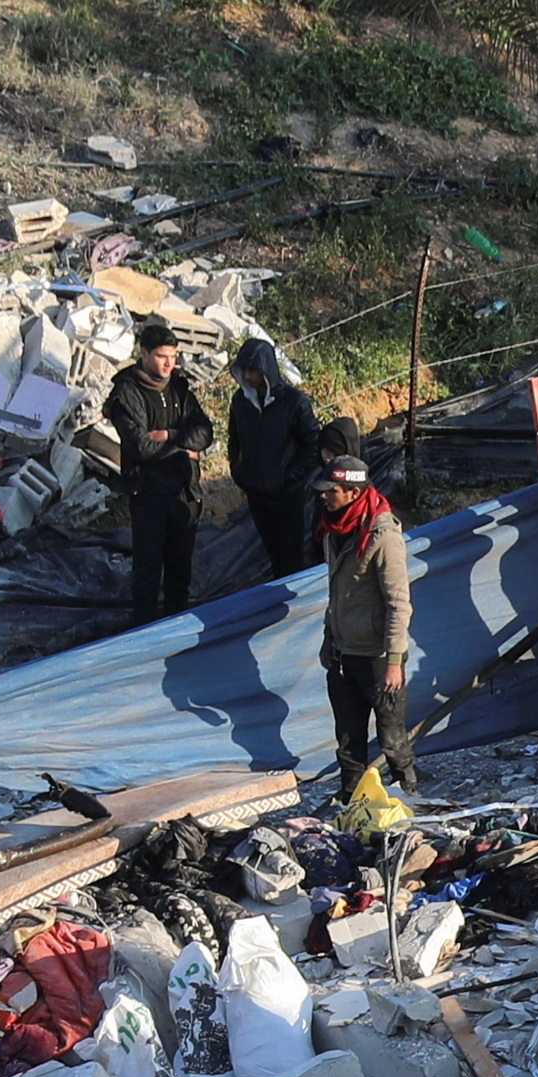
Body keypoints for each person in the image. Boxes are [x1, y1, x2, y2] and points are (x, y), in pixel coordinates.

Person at [101, 318, 211, 619]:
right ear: (144, 353)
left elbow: (205, 433)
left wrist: (170, 435)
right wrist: (184, 449)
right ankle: (145, 635)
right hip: (148, 495)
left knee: (180, 572)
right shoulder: (126, 395)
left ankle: (177, 629)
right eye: (162, 356)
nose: (169, 364)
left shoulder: (180, 390)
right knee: (148, 572)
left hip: (184, 492)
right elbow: (140, 447)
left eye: (173, 357)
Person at [319, 452, 414, 800]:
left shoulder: (383, 537)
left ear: (354, 493)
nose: (324, 496)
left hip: (376, 656)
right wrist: (329, 639)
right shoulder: (333, 533)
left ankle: (409, 792)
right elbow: (336, 593)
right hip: (344, 654)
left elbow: (398, 603)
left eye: (332, 490)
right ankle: (352, 802)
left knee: (391, 737)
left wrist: (393, 661)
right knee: (348, 739)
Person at [229, 337, 326, 574]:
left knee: (290, 555)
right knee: (272, 551)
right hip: (256, 492)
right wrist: (239, 471)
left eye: (253, 370)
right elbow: (234, 439)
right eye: (245, 370)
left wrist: (288, 477)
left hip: (287, 496)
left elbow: (312, 444)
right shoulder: (241, 401)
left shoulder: (294, 402)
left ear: (266, 369)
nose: (249, 376)